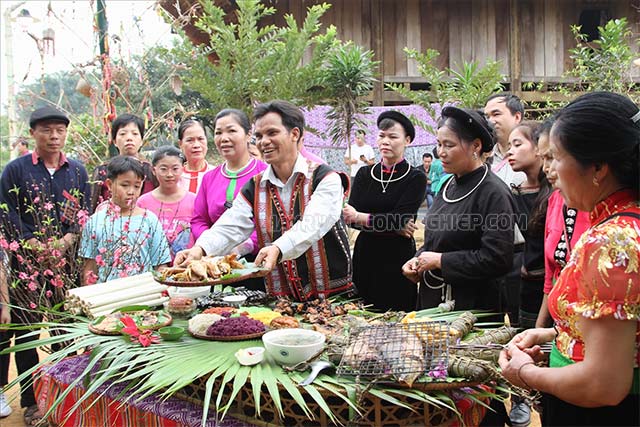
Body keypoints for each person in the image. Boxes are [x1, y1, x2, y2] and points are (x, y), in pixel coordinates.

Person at [499, 91, 640, 427]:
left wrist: (527, 373)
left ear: (598, 168)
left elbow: (603, 384)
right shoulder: (624, 222)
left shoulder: (611, 241)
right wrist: (550, 336)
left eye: (557, 157)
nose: (553, 172)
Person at [176, 100, 353, 301]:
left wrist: (278, 249)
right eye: (259, 136)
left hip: (331, 298)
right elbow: (230, 225)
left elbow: (314, 224)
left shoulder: (325, 178)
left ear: (295, 134)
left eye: (272, 133)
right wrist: (200, 249)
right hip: (282, 298)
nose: (263, 141)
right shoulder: (255, 186)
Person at [0, 106, 90, 426]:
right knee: (26, 336)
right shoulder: (15, 170)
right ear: (33, 134)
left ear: (66, 133)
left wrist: (65, 242)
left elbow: (84, 212)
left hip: (64, 267)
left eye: (60, 130)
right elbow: (6, 213)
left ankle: (64, 397)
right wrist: (32, 243)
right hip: (27, 268)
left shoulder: (77, 171)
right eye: (47, 130)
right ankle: (30, 400)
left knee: (63, 333)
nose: (54, 136)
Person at [402, 106, 515, 312]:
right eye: (438, 144)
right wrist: (419, 258)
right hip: (433, 300)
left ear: (476, 146)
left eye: (449, 145)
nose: (440, 152)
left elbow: (498, 259)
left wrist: (440, 261)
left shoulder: (494, 193)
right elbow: (437, 240)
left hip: (472, 308)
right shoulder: (447, 185)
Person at [343, 111, 426, 311]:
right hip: (366, 254)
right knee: (364, 312)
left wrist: (362, 217)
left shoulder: (415, 177)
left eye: (393, 136)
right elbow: (350, 220)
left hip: (398, 257)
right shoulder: (364, 174)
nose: (385, 141)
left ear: (407, 140)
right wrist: (392, 226)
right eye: (381, 136)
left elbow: (398, 219)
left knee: (398, 315)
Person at [506, 120, 553, 426]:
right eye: (508, 146)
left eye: (518, 144)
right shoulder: (511, 193)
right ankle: (522, 398)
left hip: (551, 285)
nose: (510, 152)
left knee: (549, 349)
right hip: (522, 281)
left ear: (540, 149)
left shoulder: (558, 193)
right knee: (523, 339)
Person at [80, 156, 170, 284]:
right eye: (125, 185)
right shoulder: (95, 222)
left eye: (137, 186)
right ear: (110, 185)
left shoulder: (150, 220)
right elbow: (89, 269)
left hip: (144, 296)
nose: (131, 192)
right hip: (106, 297)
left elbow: (161, 265)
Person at [535, 119, 589, 328]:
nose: (547, 168)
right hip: (561, 328)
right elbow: (551, 277)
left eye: (553, 157)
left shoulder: (609, 216)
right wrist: (539, 329)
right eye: (544, 159)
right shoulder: (555, 200)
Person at [191, 109, 268, 249]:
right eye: (218, 133)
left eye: (231, 131)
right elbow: (198, 220)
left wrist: (244, 246)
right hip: (214, 259)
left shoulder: (265, 174)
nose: (224, 138)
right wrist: (210, 245)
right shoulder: (209, 178)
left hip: (259, 259)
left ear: (248, 134)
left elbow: (271, 221)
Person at [137, 146, 196, 261]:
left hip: (187, 267)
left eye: (175, 169)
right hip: (154, 267)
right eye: (163, 169)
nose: (169, 174)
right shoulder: (143, 202)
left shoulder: (194, 200)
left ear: (182, 169)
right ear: (154, 170)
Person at [90, 114, 158, 212]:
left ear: (141, 140)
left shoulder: (151, 171)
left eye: (135, 134)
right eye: (123, 134)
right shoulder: (103, 171)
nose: (129, 138)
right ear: (114, 141)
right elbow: (93, 204)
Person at [484, 93, 526, 187]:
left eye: (496, 114)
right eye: (487, 117)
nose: (490, 121)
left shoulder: (534, 155)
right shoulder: (484, 157)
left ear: (517, 117)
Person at [177, 119, 214, 194]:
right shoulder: (174, 177)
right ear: (180, 144)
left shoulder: (217, 175)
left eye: (200, 139)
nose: (196, 145)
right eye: (190, 140)